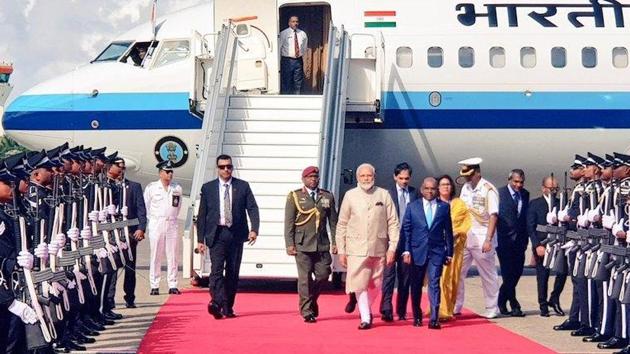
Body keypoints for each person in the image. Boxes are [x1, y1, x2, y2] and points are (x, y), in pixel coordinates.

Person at [336, 163, 399, 330]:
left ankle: (364, 306)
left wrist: (392, 247)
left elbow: (393, 222)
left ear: (374, 177)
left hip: (378, 247)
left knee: (375, 284)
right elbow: (341, 224)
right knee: (359, 283)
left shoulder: (384, 195)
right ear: (357, 178)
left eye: (369, 176)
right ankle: (365, 317)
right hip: (355, 247)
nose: (366, 179)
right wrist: (341, 250)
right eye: (363, 176)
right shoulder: (350, 196)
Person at [197, 154, 260, 319]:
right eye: (222, 167)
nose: (226, 170)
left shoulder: (243, 186)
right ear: (217, 168)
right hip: (217, 234)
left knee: (232, 272)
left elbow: (252, 208)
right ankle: (216, 303)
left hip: (236, 234)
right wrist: (200, 240)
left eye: (229, 167)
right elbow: (202, 215)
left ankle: (228, 307)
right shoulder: (208, 188)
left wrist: (254, 229)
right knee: (216, 271)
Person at [284, 166, 338, 323]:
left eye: (315, 177)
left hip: (321, 244)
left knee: (323, 275)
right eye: (309, 177)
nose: (313, 179)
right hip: (302, 244)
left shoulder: (327, 196)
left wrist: (335, 241)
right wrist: (289, 243)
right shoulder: (295, 196)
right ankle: (306, 311)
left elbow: (333, 222)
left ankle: (312, 300)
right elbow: (289, 223)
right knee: (305, 279)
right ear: (303, 179)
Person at [402, 177, 453, 329]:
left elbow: (448, 231)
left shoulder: (444, 207)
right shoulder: (412, 207)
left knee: (434, 283)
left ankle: (434, 318)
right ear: (422, 189)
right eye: (427, 188)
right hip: (417, 251)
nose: (430, 191)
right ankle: (417, 316)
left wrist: (449, 252)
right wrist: (406, 250)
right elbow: (407, 230)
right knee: (416, 285)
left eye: (433, 189)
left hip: (436, 252)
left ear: (437, 190)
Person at [454, 157, 501, 319]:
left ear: (478, 173)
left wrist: (488, 239)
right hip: (466, 236)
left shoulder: (488, 190)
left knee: (487, 274)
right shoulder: (466, 188)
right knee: (458, 272)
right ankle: (456, 304)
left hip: (482, 237)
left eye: (470, 175)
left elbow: (493, 215)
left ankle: (492, 307)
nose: (467, 178)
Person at [379, 162, 416, 322]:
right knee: (388, 275)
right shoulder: (387, 194)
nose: (404, 181)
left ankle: (401, 310)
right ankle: (386, 308)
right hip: (390, 240)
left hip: (408, 240)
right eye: (401, 178)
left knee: (405, 277)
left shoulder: (415, 193)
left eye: (407, 178)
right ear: (395, 177)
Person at [527, 176, 566, 317]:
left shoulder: (561, 203)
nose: (554, 191)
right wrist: (536, 245)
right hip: (542, 243)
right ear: (543, 188)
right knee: (543, 276)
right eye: (551, 188)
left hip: (558, 243)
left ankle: (554, 298)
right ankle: (543, 304)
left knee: (562, 272)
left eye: (556, 188)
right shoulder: (535, 204)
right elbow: (530, 227)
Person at [111, 158, 147, 308]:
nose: (121, 170)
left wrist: (141, 228)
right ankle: (109, 299)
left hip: (130, 233)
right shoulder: (108, 187)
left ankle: (130, 297)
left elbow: (141, 210)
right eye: (118, 167)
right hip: (112, 235)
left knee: (130, 267)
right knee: (112, 268)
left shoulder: (134, 186)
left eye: (123, 167)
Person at [144, 160, 183, 296]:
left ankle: (172, 284)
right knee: (156, 255)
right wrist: (154, 221)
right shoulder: (152, 188)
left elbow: (178, 207)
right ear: (161, 173)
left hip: (171, 223)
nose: (170, 174)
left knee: (173, 255)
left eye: (171, 171)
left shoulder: (177, 188)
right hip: (157, 223)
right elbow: (147, 207)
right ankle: (154, 284)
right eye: (167, 171)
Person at [437, 175, 471, 321]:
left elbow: (465, 222)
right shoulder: (433, 203)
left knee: (452, 278)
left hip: (455, 247)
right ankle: (438, 308)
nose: (446, 187)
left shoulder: (459, 204)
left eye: (448, 184)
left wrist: (456, 233)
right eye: (443, 184)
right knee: (439, 279)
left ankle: (448, 309)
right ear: (438, 187)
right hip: (437, 247)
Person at [497, 169, 530, 317]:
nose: (518, 185)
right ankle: (514, 304)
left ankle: (501, 298)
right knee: (507, 273)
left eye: (521, 182)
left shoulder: (525, 194)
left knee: (516, 272)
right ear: (509, 180)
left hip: (520, 241)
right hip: (504, 240)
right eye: (516, 182)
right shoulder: (499, 194)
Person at [279, 16, 307, 94]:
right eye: (293, 21)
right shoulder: (284, 33)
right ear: (289, 23)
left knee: (298, 82)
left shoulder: (302, 34)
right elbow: (279, 47)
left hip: (298, 60)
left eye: (296, 21)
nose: (295, 23)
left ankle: (297, 99)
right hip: (287, 61)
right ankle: (286, 100)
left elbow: (304, 47)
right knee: (287, 82)